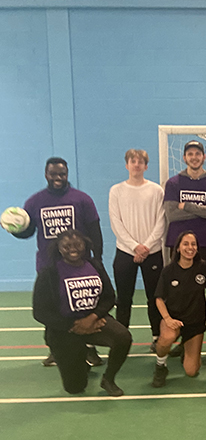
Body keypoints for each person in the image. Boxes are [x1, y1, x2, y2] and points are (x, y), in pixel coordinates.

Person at [13, 157, 103, 367]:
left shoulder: (82, 199)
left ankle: (90, 349)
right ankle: (56, 349)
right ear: (46, 174)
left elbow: (95, 232)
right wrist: (14, 228)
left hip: (79, 267)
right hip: (49, 267)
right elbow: (27, 232)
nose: (58, 178)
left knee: (85, 305)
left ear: (67, 174)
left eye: (62, 174)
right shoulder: (35, 201)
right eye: (54, 174)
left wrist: (96, 260)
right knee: (53, 309)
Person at [32, 230, 132, 396]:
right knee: (75, 388)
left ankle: (109, 379)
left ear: (85, 245)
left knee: (123, 337)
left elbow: (109, 297)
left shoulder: (95, 266)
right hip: (64, 330)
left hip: (94, 323)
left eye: (77, 244)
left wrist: (93, 318)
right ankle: (80, 359)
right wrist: (72, 326)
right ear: (59, 248)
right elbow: (40, 312)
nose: (73, 249)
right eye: (67, 246)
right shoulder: (49, 273)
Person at [109, 149, 166, 352]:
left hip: (153, 252)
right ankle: (121, 338)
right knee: (124, 299)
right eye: (132, 161)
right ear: (127, 165)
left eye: (140, 161)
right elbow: (116, 222)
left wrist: (147, 246)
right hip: (125, 252)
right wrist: (134, 246)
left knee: (154, 297)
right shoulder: (116, 191)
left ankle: (157, 336)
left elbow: (161, 221)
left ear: (146, 166)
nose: (136, 164)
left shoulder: (156, 190)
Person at [151, 231, 206, 388]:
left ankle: (185, 345)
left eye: (193, 244)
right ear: (178, 248)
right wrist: (168, 319)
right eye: (185, 244)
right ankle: (161, 366)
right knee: (166, 339)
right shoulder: (169, 271)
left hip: (195, 323)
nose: (189, 248)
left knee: (192, 371)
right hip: (174, 319)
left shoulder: (203, 267)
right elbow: (158, 299)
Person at [164, 140, 206, 293]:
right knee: (179, 289)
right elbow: (172, 214)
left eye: (197, 154)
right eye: (190, 154)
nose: (194, 157)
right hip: (178, 244)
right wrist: (203, 211)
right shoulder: (173, 183)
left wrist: (187, 206)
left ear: (204, 157)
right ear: (184, 158)